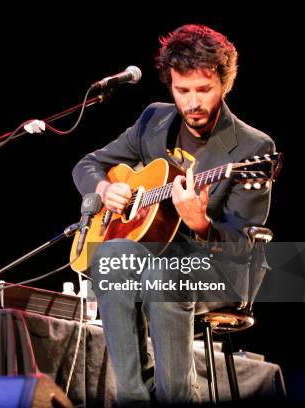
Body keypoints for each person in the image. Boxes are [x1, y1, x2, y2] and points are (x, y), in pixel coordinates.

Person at [72, 24, 275, 405]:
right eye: (183, 91)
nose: (193, 102)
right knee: (110, 257)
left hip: (222, 269)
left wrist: (200, 222)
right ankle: (133, 398)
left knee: (165, 277)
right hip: (159, 252)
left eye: (204, 90)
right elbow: (88, 165)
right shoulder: (154, 120)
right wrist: (105, 189)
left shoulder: (252, 147)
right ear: (170, 85)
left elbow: (245, 246)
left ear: (224, 84)